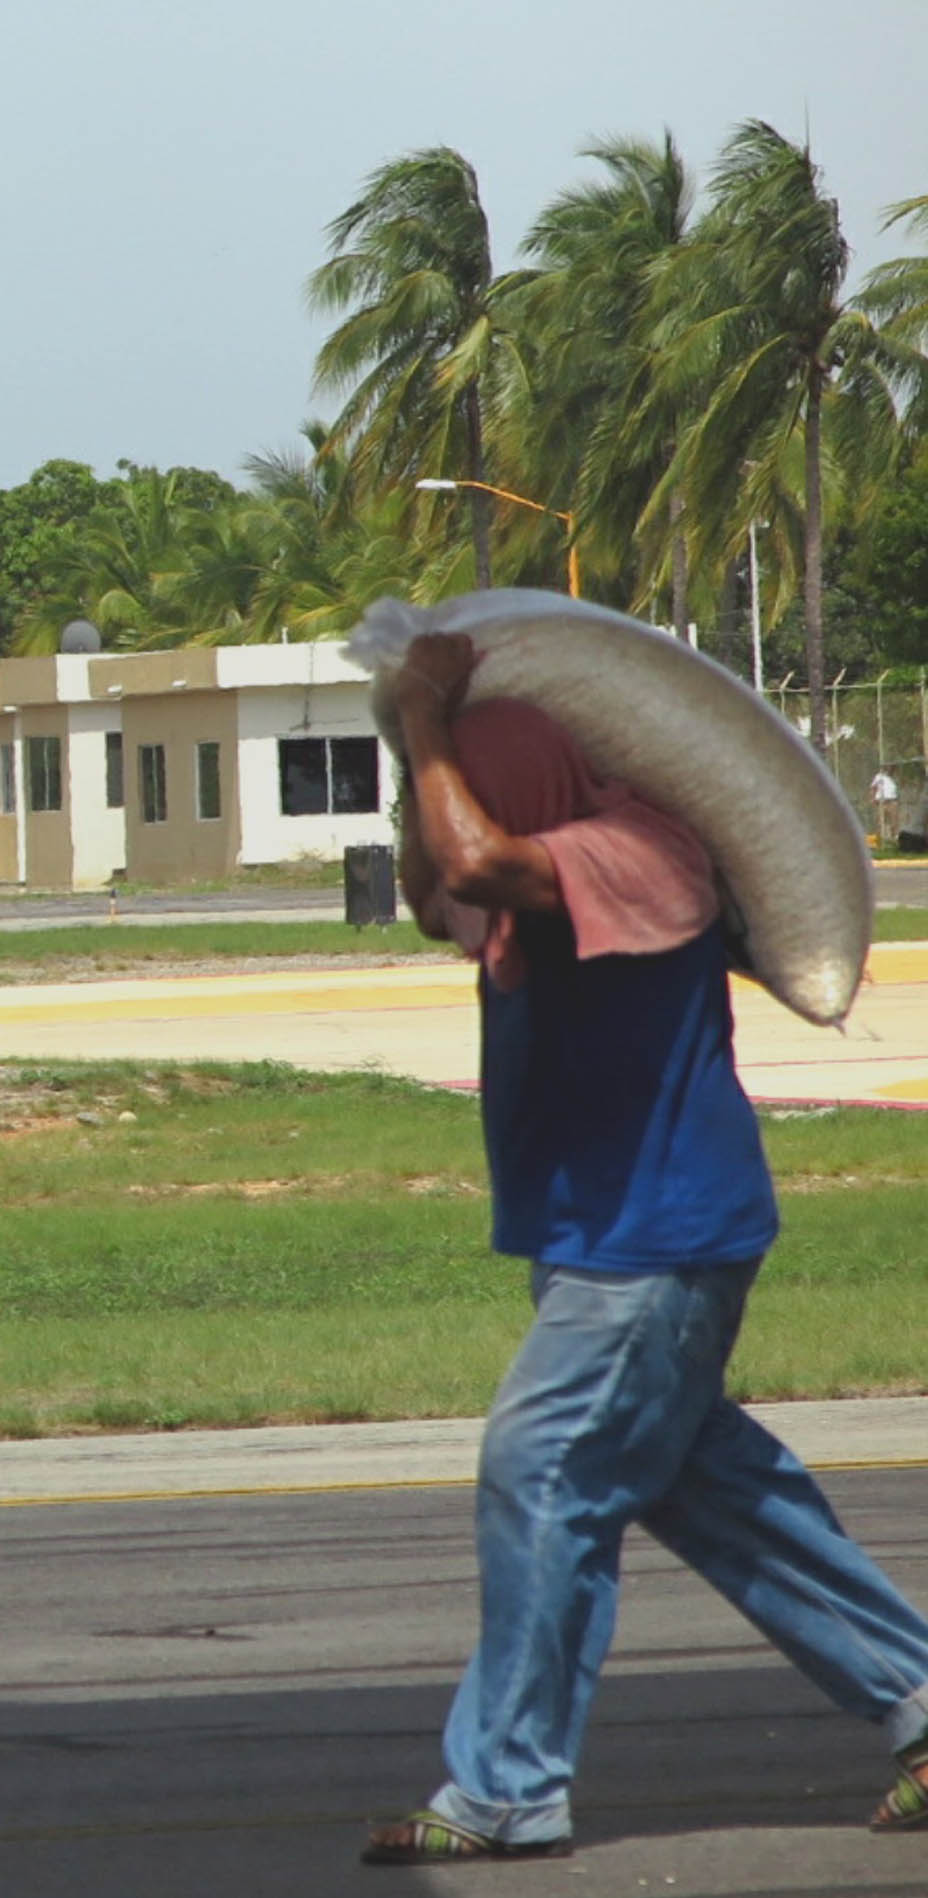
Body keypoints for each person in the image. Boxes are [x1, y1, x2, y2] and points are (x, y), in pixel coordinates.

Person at [364, 637, 928, 1865]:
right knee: (704, 1485)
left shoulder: (636, 851)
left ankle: (506, 1787)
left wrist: (418, 721)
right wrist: (426, 759)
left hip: (655, 1238)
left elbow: (470, 858)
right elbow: (430, 893)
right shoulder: (518, 854)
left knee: (542, 1468)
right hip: (596, 1236)